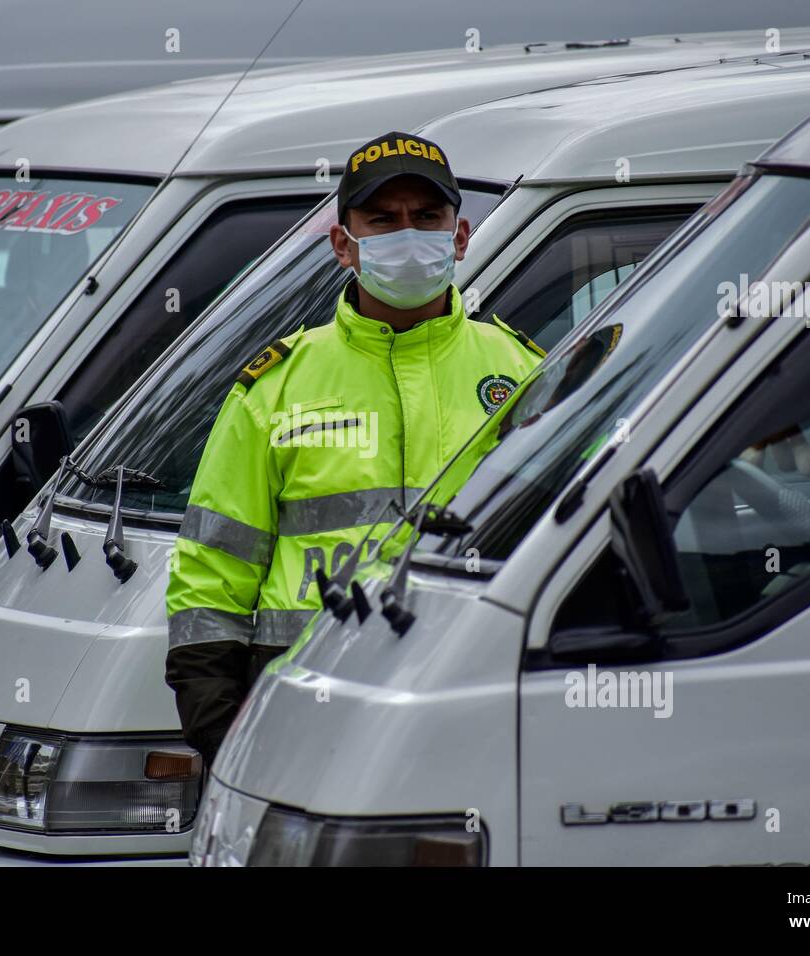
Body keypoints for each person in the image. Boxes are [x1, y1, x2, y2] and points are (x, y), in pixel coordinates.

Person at [165, 131, 544, 766]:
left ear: (460, 235)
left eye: (426, 217)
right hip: (299, 711)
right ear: (344, 243)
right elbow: (212, 571)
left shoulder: (524, 374)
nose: (407, 234)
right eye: (383, 219)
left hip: (469, 701)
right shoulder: (276, 384)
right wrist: (220, 730)